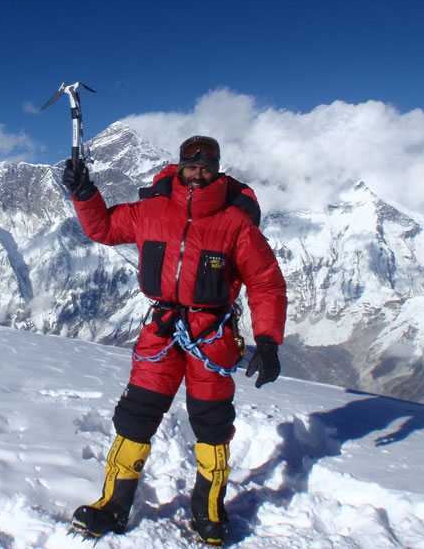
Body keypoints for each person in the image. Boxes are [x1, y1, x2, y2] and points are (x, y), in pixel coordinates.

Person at [62, 135, 288, 546]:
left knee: (213, 426)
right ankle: (113, 506)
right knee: (136, 417)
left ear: (218, 170)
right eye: (191, 163)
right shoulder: (152, 210)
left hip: (211, 336)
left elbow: (265, 283)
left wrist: (268, 341)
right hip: (162, 331)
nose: (198, 171)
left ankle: (208, 513)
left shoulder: (236, 223)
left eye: (207, 165)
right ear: (180, 165)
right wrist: (85, 193)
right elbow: (105, 228)